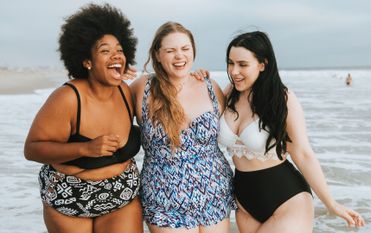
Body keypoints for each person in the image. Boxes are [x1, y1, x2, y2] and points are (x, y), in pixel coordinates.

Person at [216, 31, 365, 232]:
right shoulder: (229, 93)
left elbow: (303, 153)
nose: (234, 71)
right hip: (244, 201)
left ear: (262, 64)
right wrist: (198, 78)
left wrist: (331, 204)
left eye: (242, 64)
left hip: (287, 199)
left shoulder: (282, 99)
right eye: (230, 63)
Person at [24, 4, 143, 233]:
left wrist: (196, 77)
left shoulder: (126, 92)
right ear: (87, 61)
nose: (116, 55)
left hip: (121, 196)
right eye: (105, 51)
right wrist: (85, 149)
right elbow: (32, 149)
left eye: (119, 49)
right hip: (71, 198)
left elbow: (163, 97)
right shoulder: (68, 98)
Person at [130, 21, 235, 233]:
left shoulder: (211, 87)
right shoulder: (142, 88)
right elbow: (107, 108)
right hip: (164, 198)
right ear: (157, 55)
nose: (180, 56)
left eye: (185, 49)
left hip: (214, 192)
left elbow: (237, 123)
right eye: (171, 50)